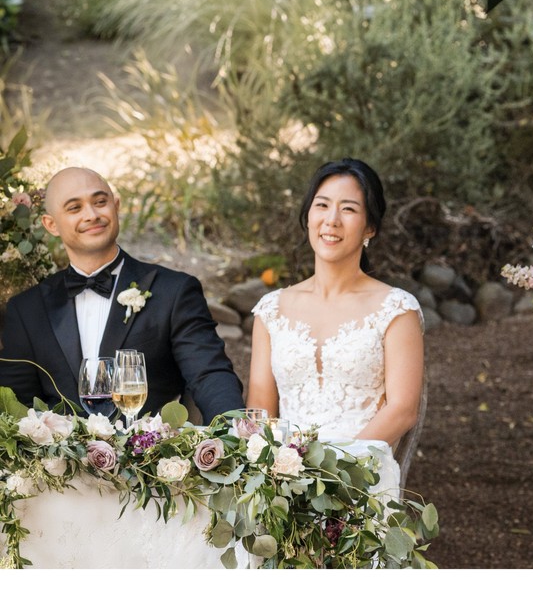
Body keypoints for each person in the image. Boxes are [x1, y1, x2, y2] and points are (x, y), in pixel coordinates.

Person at [0, 167, 243, 423]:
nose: (92, 215)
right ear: (51, 225)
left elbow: (210, 375)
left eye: (100, 202)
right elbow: (16, 405)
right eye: (75, 208)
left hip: (153, 457)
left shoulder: (174, 291)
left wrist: (232, 439)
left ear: (115, 206)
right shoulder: (26, 309)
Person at [247, 159, 424, 498]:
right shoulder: (271, 309)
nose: (332, 220)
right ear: (309, 216)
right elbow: (261, 411)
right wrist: (274, 473)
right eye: (322, 205)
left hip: (361, 480)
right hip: (283, 483)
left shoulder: (396, 308)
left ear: (369, 227)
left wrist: (334, 473)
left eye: (349, 209)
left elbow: (403, 409)